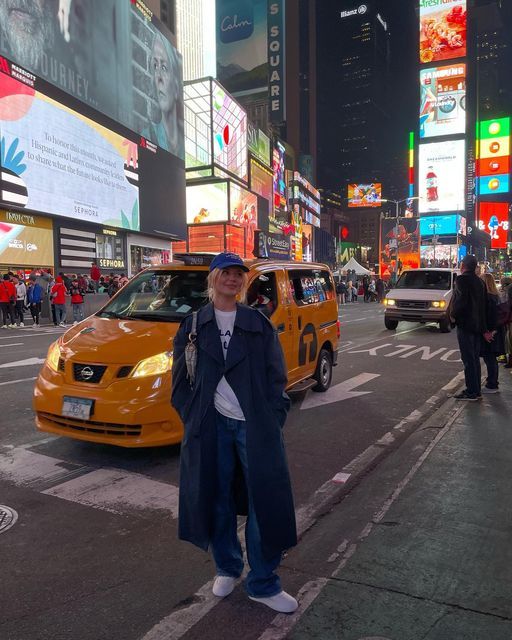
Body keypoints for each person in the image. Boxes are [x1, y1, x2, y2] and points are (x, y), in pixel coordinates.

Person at [171, 252, 298, 614]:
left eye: (238, 274)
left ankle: (262, 581)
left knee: (265, 498)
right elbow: (179, 380)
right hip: (210, 424)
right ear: (213, 279)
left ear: (244, 282)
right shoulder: (193, 324)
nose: (232, 279)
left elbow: (277, 377)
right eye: (225, 273)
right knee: (216, 496)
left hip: (254, 425)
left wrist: (273, 415)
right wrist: (191, 416)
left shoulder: (257, 322)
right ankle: (227, 565)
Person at [450, 255, 487, 400]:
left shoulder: (462, 279)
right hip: (477, 325)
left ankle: (471, 391)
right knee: (474, 359)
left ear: (463, 265)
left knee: (468, 359)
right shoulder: (480, 282)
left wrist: (453, 316)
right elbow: (483, 306)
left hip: (466, 324)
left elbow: (460, 302)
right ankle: (476, 390)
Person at [144, 30, 184, 159]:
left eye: (164, 67)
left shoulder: (186, 147)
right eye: (155, 66)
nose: (158, 77)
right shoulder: (147, 135)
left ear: (177, 84)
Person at [480, 273, 505, 393]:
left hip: (491, 332)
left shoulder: (488, 298)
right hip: (497, 331)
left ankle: (492, 384)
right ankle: (493, 381)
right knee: (491, 358)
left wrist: (489, 331)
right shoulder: (496, 297)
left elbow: (491, 317)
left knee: (489, 357)